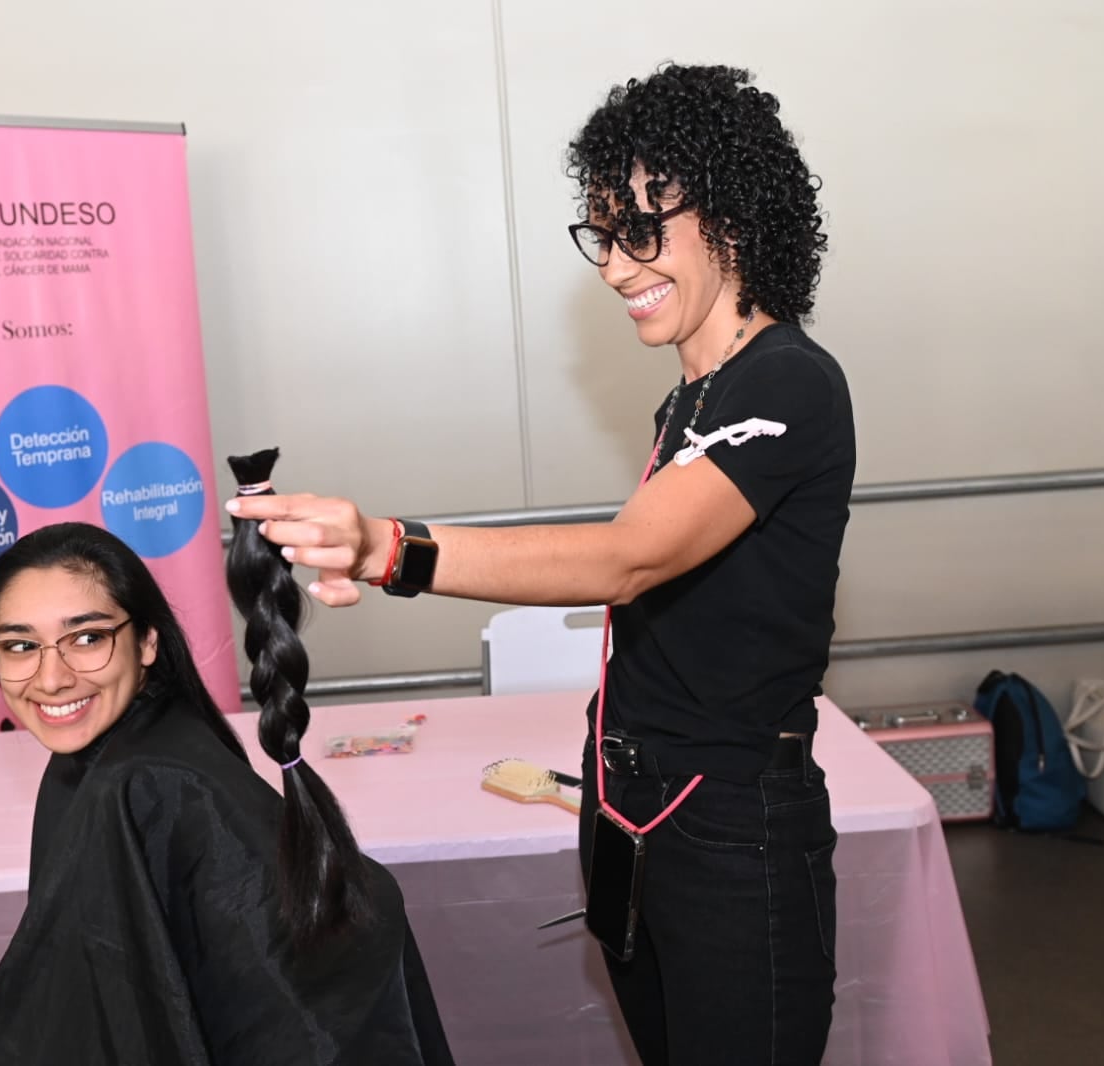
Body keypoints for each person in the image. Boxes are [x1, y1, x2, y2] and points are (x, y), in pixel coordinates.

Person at [225, 63, 854, 1065]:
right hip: (629, 810)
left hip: (732, 831)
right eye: (602, 236)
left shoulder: (790, 382)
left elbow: (629, 561)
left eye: (640, 231)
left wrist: (389, 546)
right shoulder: (691, 399)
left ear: (730, 216)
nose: (614, 267)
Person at [0, 521, 453, 1065]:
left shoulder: (144, 783)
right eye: (21, 646)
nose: (51, 678)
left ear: (147, 642)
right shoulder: (114, 754)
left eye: (87, 638)